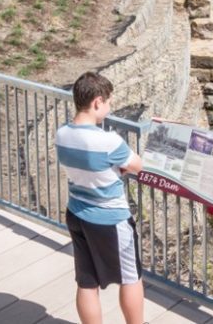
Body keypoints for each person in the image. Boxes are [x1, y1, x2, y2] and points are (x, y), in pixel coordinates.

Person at [56, 72, 145, 324]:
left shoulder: (62, 134)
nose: (109, 107)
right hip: (110, 219)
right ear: (97, 102)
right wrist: (120, 168)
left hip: (76, 212)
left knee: (87, 282)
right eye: (108, 102)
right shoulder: (108, 141)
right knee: (130, 277)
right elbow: (137, 164)